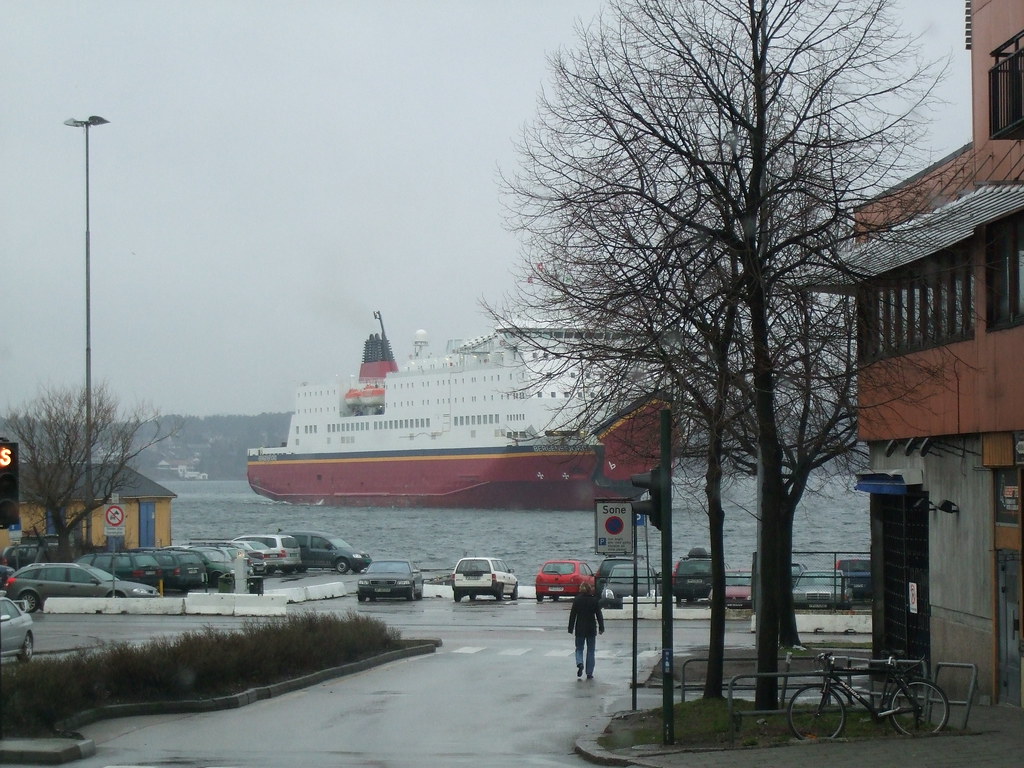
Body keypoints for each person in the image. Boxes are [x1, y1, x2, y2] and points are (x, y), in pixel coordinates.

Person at [567, 581, 604, 679]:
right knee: (591, 650)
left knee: (579, 648)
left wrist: (570, 628)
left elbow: (573, 615)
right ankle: (589, 673)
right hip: (591, 628)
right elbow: (599, 615)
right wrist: (601, 627)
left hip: (580, 628)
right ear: (589, 589)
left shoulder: (577, 600)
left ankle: (580, 663)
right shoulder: (594, 600)